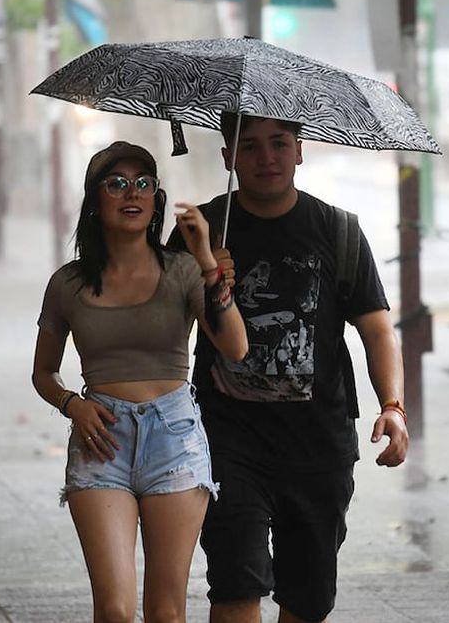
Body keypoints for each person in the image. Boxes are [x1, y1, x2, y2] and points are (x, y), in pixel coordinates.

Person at [167, 114, 409, 623]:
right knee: (235, 582)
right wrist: (205, 274)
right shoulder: (200, 231)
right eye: (250, 147)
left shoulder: (337, 230)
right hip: (226, 442)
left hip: (318, 445)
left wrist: (393, 406)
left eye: (279, 144)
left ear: (301, 150)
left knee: (307, 597)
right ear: (228, 157)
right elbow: (159, 328)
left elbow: (377, 328)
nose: (266, 158)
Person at [32, 141, 248, 622]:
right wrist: (73, 404)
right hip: (101, 440)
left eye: (143, 183)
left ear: (156, 199)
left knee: (167, 613)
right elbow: (43, 372)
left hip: (174, 438)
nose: (132, 193)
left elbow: (235, 347)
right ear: (95, 199)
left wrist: (209, 265)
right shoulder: (67, 283)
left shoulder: (184, 271)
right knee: (112, 610)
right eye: (117, 183)